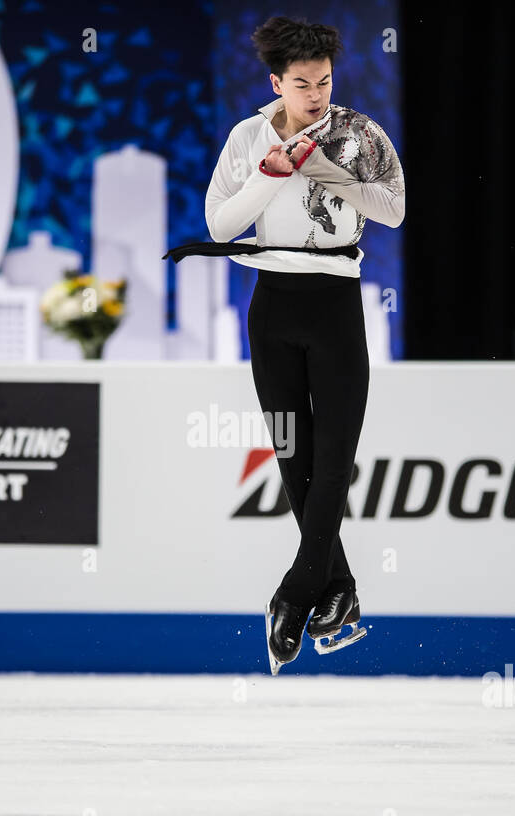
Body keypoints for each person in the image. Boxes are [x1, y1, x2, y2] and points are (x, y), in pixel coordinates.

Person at [164, 16, 404, 674]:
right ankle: (341, 591)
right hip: (272, 304)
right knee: (294, 455)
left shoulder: (357, 134)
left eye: (325, 80)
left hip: (336, 303)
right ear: (276, 82)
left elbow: (392, 209)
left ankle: (296, 595)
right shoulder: (246, 137)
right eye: (302, 84)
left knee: (334, 459)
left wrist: (327, 171)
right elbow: (219, 223)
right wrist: (272, 173)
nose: (317, 94)